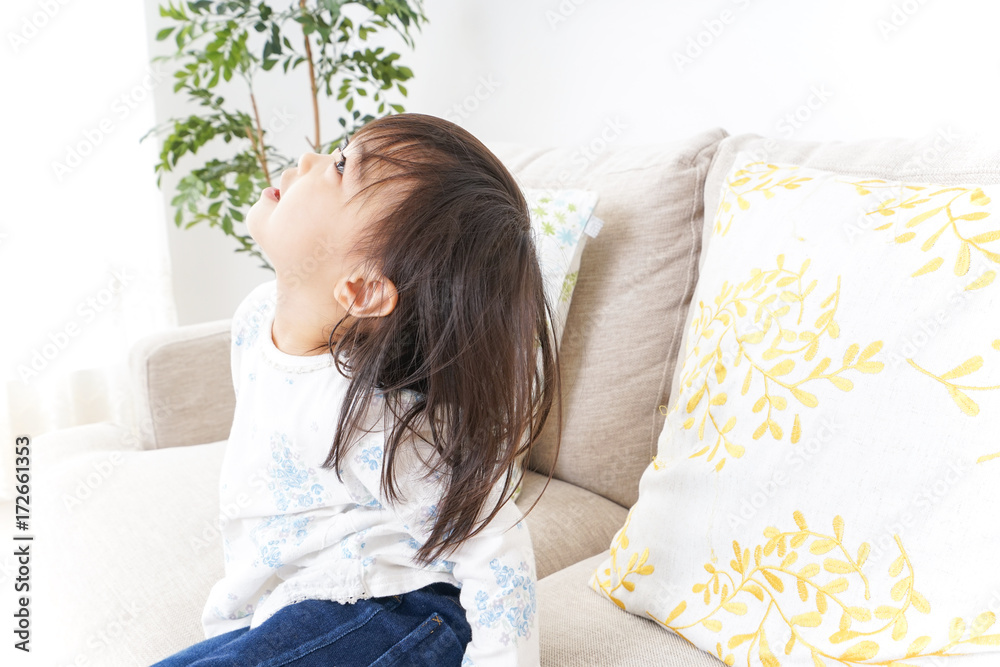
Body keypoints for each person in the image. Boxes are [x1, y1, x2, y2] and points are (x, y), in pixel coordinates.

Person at [151, 113, 562, 667]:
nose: (308, 162)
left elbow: (495, 544)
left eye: (341, 167)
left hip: (401, 612)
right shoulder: (254, 321)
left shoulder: (376, 415)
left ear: (364, 289)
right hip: (299, 609)